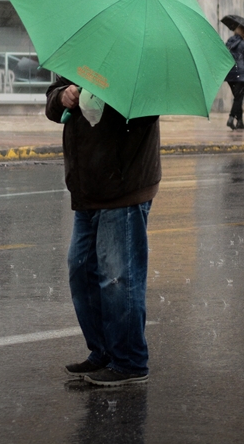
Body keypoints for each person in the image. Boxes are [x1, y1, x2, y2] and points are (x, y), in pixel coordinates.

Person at [46, 78, 161, 387]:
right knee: (81, 270)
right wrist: (62, 97)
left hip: (123, 183)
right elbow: (53, 105)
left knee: (117, 277)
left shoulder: (139, 58)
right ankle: (104, 352)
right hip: (87, 186)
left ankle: (130, 361)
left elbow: (147, 113)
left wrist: (107, 92)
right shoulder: (86, 51)